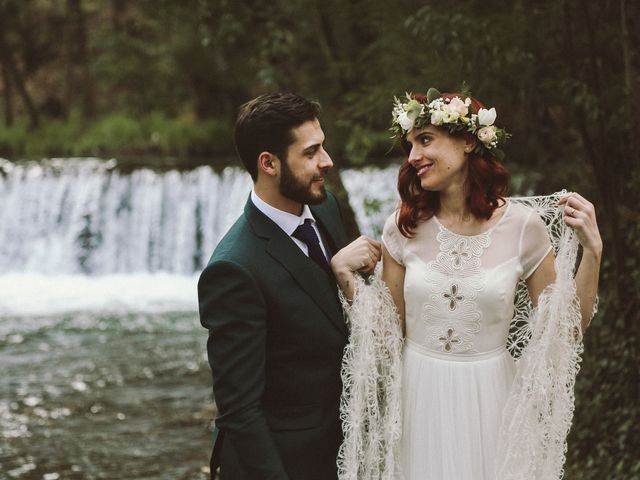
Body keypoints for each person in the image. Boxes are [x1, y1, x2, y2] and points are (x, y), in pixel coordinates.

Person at [331, 88, 602, 479]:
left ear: (469, 140)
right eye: (410, 145)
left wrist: (593, 252)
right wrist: (345, 278)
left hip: (491, 397)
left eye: (425, 140)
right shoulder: (403, 228)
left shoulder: (524, 227)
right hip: (419, 396)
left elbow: (566, 328)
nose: (412, 157)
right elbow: (388, 335)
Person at [198, 92, 381, 480]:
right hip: (287, 464)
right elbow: (239, 412)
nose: (327, 161)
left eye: (324, 147)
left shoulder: (324, 208)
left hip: (345, 453)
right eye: (311, 152)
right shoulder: (234, 270)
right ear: (269, 163)